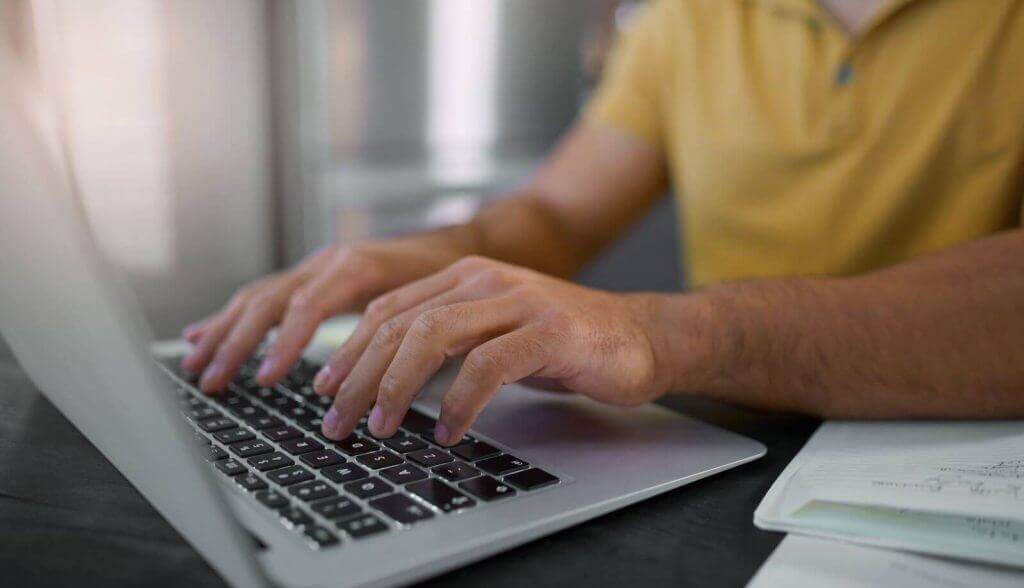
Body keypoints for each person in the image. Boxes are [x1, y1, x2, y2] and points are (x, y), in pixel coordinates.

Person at [181, 0, 1024, 447]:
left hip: (957, 461)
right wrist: (425, 257)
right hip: (730, 442)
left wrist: (663, 334)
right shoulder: (687, 19)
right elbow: (556, 212)